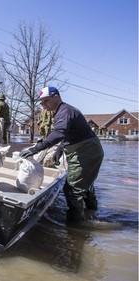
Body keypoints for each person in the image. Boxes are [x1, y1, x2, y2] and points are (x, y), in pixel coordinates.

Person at [20, 86, 104, 223]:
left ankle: (76, 228)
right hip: (85, 149)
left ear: (56, 97)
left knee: (71, 190)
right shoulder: (62, 111)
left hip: (85, 151)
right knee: (85, 183)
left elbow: (59, 133)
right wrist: (60, 148)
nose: (43, 105)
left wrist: (37, 148)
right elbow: (68, 133)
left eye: (46, 101)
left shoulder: (64, 111)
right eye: (41, 103)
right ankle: (92, 213)